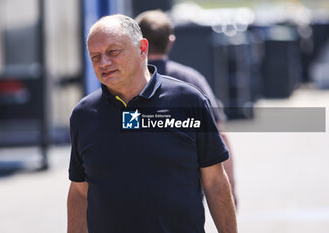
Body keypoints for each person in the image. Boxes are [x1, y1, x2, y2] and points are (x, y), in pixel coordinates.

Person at [67, 14, 237, 233]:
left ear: (142, 48)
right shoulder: (84, 115)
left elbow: (214, 181)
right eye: (95, 57)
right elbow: (80, 192)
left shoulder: (188, 100)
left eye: (113, 52)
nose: (104, 63)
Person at [135, 10, 237, 206]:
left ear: (140, 43)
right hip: (184, 194)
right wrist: (230, 186)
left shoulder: (123, 82)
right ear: (170, 41)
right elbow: (219, 135)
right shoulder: (192, 80)